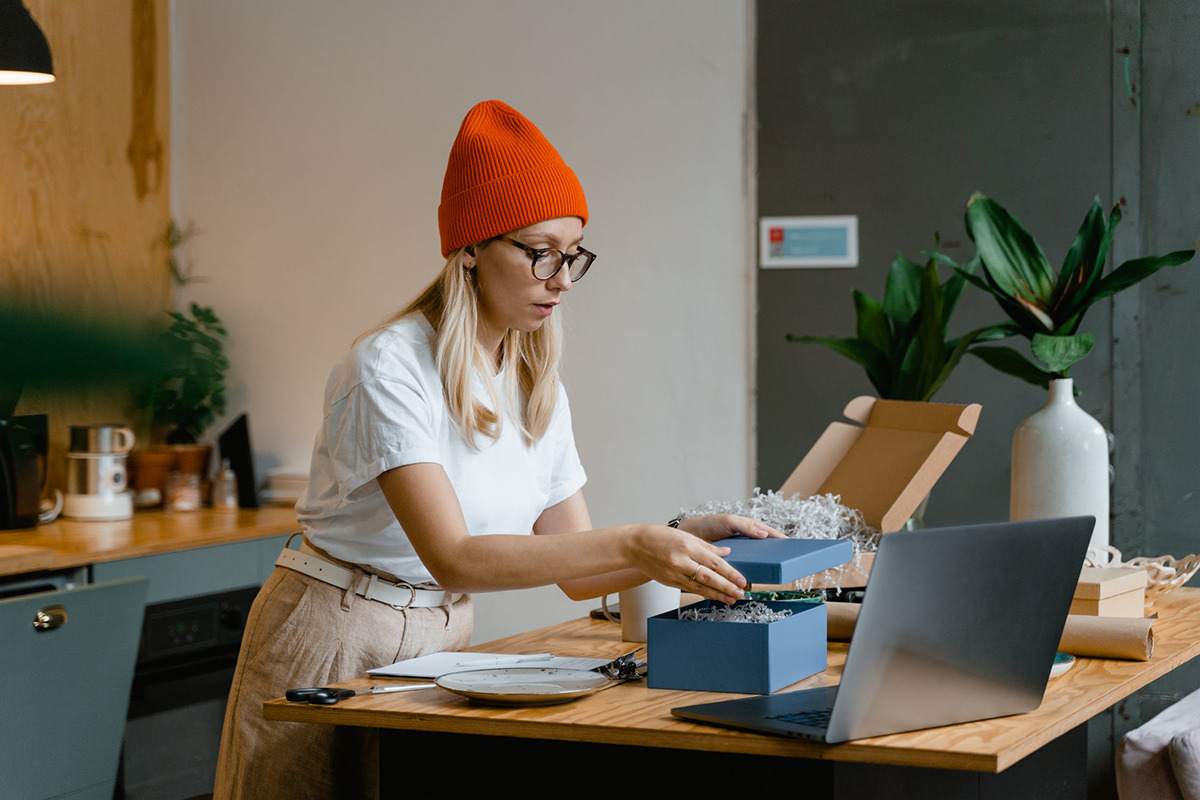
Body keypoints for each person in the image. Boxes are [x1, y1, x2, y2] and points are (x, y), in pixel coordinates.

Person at [213, 99, 777, 800]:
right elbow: (454, 555)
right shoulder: (388, 367)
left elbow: (577, 567)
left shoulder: (533, 379)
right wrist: (639, 544)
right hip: (335, 631)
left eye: (573, 256)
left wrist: (675, 537)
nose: (561, 278)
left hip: (443, 638)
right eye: (539, 252)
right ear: (472, 248)